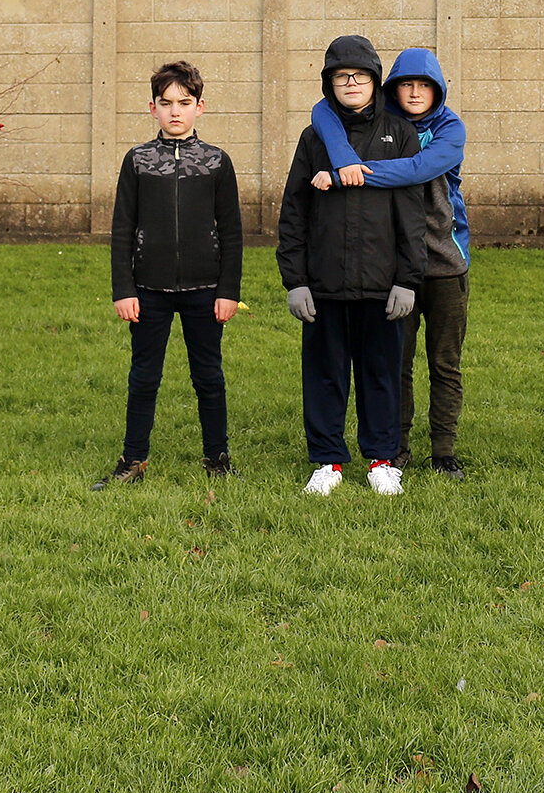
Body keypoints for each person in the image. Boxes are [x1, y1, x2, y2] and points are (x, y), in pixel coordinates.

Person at [311, 47, 471, 478]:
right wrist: (342, 160)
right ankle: (395, 449)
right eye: (406, 84)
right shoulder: (387, 125)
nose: (415, 92)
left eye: (425, 85)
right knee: (394, 362)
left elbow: (417, 169)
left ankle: (444, 451)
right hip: (397, 263)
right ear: (391, 89)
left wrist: (349, 169)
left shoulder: (450, 128)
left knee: (444, 362)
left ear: (439, 91)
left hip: (445, 263)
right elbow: (321, 110)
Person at [277, 35, 426, 496]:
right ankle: (327, 462)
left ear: (375, 82)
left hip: (382, 284)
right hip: (324, 284)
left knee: (381, 374)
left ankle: (382, 460)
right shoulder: (313, 137)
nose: (352, 83)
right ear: (330, 83)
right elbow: (293, 213)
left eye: (361, 76)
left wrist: (407, 278)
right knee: (325, 374)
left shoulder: (397, 133)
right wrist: (295, 281)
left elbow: (412, 213)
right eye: (342, 76)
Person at [97, 60, 243, 488]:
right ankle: (133, 461)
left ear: (200, 106)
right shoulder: (138, 161)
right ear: (152, 108)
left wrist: (228, 291)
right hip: (149, 292)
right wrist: (124, 289)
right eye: (166, 103)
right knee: (143, 377)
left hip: (206, 291)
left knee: (209, 376)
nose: (175, 111)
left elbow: (233, 232)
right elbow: (122, 228)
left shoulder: (217, 162)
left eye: (184, 103)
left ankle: (217, 457)